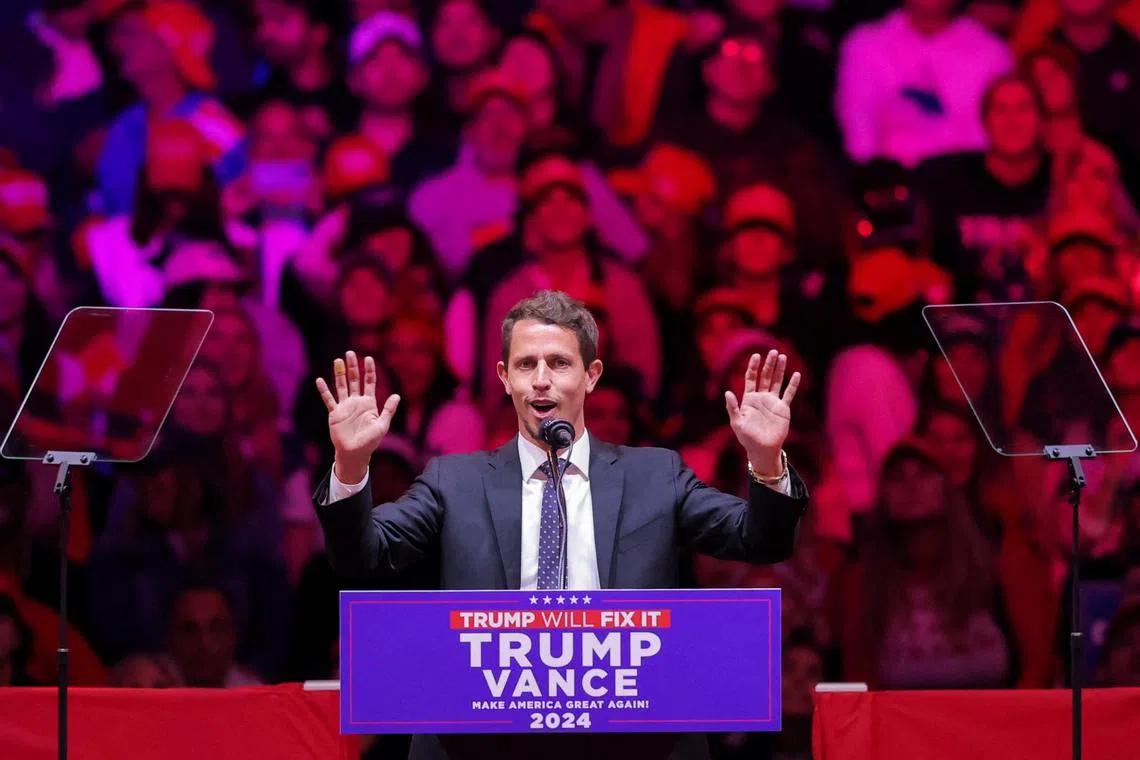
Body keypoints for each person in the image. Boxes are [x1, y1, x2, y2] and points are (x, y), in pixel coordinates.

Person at [311, 289, 808, 760]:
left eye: (559, 363)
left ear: (591, 375)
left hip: (633, 745)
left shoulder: (655, 476)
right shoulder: (453, 481)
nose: (541, 380)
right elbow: (362, 555)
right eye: (526, 364)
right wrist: (351, 467)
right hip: (485, 746)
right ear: (504, 377)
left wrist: (766, 461)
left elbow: (760, 539)